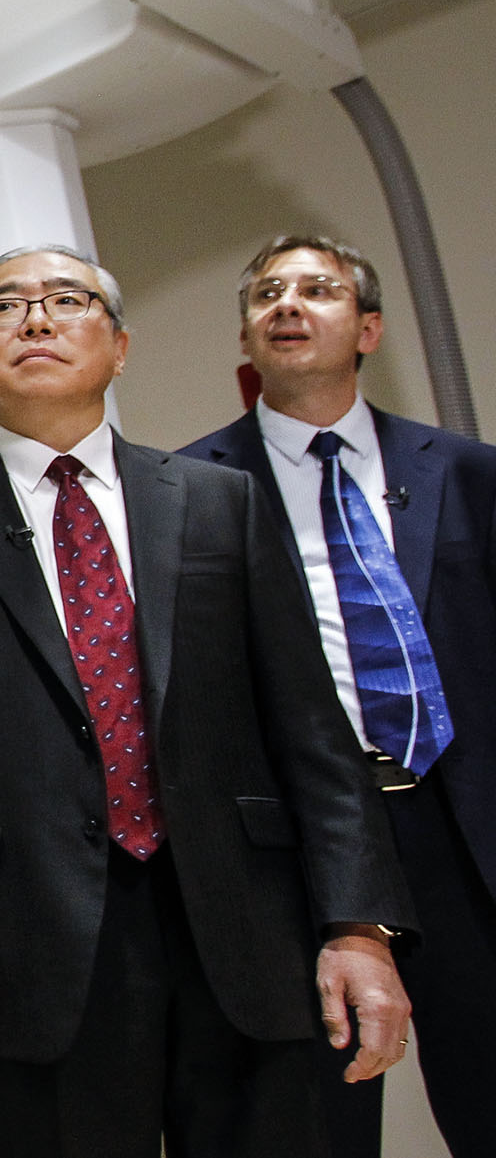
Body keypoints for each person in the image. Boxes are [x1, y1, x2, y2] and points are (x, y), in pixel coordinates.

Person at [0, 244, 412, 1158]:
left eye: (65, 299)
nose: (34, 318)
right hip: (31, 934)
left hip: (240, 923)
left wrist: (359, 925)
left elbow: (312, 729)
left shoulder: (218, 502)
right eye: (2, 307)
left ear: (119, 346)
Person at [181, 235, 496, 1158]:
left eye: (318, 289)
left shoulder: (468, 472)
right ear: (246, 333)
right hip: (301, 847)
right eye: (268, 292)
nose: (288, 303)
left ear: (368, 327)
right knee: (317, 1118)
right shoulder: (188, 492)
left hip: (463, 832)